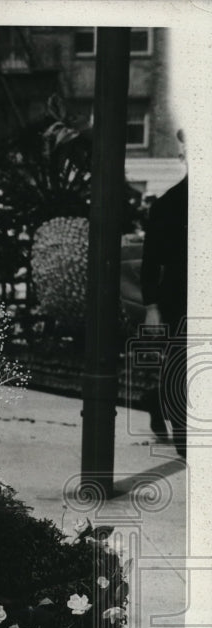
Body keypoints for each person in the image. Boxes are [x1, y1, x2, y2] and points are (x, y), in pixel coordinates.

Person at [141, 167, 188, 458]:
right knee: (182, 368)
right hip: (178, 297)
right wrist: (151, 306)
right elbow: (150, 262)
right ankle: (185, 442)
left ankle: (155, 401)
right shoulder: (169, 204)